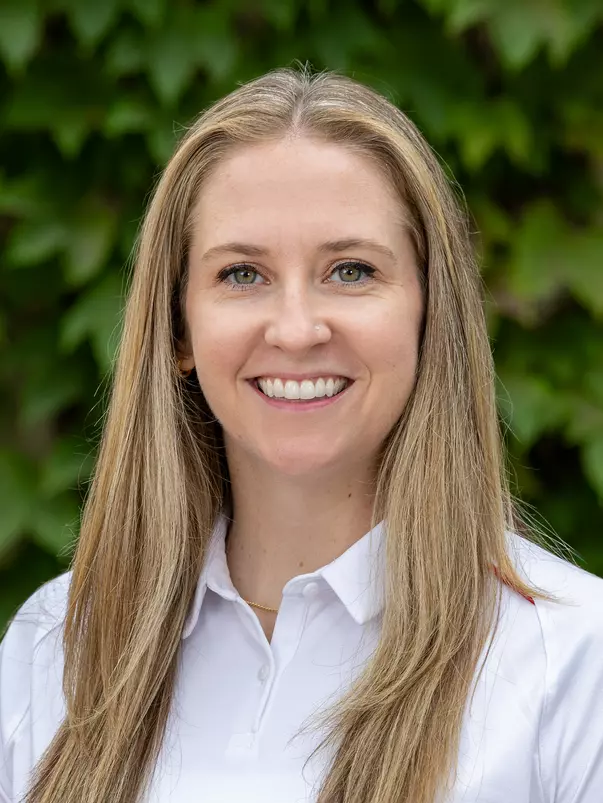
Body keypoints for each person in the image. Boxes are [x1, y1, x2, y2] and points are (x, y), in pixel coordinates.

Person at [1, 65, 602, 803]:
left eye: (349, 270)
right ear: (178, 327)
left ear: (427, 315)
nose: (295, 329)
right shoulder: (56, 644)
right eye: (242, 274)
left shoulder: (571, 662)